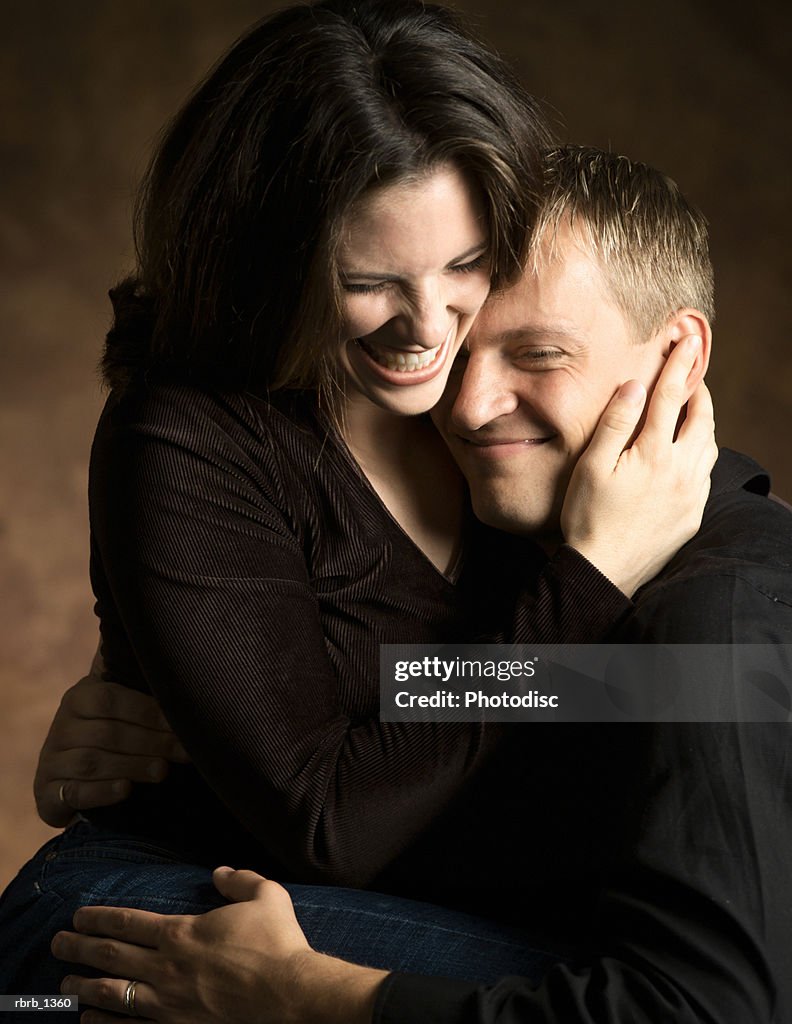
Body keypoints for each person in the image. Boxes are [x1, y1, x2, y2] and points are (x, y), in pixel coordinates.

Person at [0, 0, 712, 998]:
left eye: (467, 264)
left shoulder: (495, 388)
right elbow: (334, 817)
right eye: (370, 279)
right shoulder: (186, 440)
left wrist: (365, 701)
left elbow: (688, 678)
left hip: (405, 898)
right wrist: (582, 590)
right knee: (665, 999)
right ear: (273, 263)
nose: (431, 326)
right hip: (163, 910)